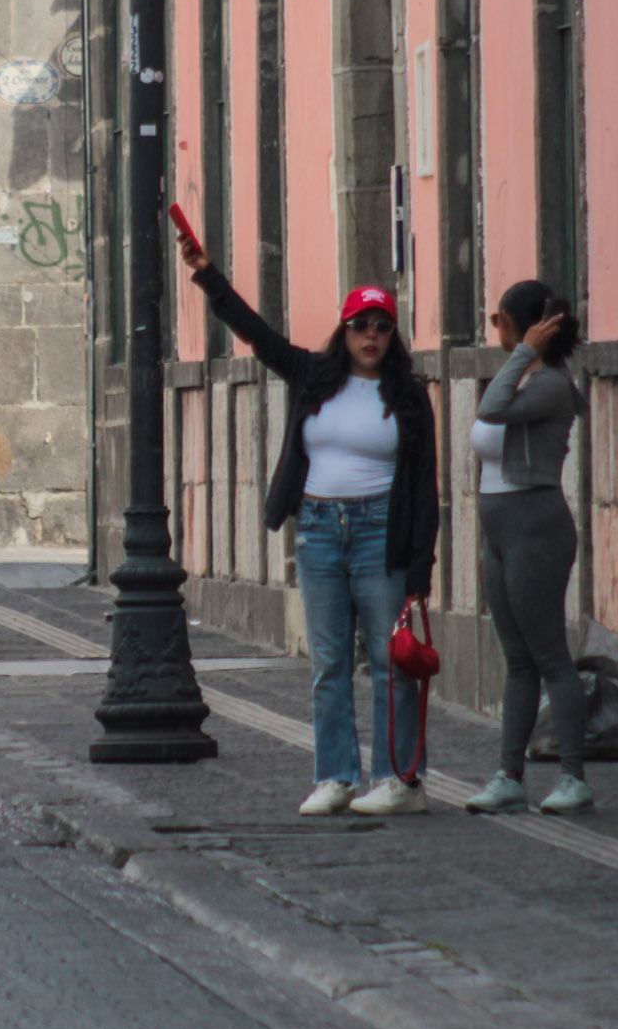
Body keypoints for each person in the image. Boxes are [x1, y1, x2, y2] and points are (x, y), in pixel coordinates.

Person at [183, 241, 441, 817]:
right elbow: (258, 335)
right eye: (358, 326)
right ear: (343, 332)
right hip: (320, 529)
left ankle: (400, 780)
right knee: (328, 663)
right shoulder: (313, 375)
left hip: (381, 532)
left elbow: (425, 486)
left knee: (389, 658)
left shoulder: (407, 396)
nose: (369, 337)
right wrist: (210, 279)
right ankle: (335, 777)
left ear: (392, 336)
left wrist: (420, 568)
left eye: (380, 327)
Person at [463, 280, 592, 817]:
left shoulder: (550, 385)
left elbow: (492, 410)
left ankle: (573, 779)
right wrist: (522, 356)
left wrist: (524, 353)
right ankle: (508, 775)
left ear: (524, 328)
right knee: (517, 660)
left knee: (550, 657)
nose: (496, 328)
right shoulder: (524, 376)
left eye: (500, 320)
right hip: (499, 528)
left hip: (535, 526)